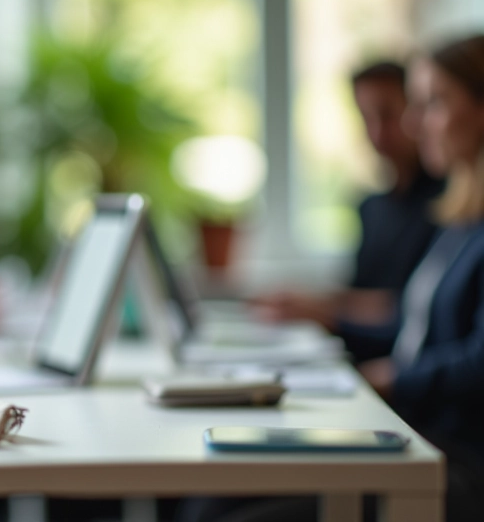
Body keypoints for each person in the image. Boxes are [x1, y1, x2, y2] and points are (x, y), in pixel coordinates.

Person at [180, 35, 484, 522]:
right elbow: (410, 332)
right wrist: (335, 329)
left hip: (454, 459)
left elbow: (477, 362)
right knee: (208, 500)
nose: (412, 123)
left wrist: (392, 377)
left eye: (433, 103)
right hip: (411, 432)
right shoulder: (461, 224)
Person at [251, 61, 445, 343]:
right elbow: (363, 293)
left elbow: (409, 304)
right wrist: (308, 300)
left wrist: (319, 309)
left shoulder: (449, 205)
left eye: (388, 115)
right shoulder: (372, 207)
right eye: (366, 117)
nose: (377, 133)